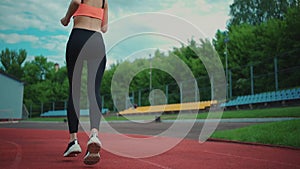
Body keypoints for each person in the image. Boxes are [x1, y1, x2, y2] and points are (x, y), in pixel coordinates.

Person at [60, 0, 108, 165]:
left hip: (78, 37)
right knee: (94, 90)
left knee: (74, 89)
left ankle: (73, 141)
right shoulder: (104, 1)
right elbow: (104, 28)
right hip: (97, 40)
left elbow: (75, 1)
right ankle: (94, 135)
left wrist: (66, 19)